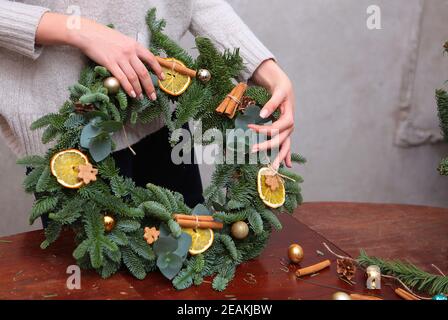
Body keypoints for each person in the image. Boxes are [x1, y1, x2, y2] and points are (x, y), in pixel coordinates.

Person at [0, 0, 295, 211]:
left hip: (160, 110)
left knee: (189, 271)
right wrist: (78, 29)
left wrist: (263, 67)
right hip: (72, 128)